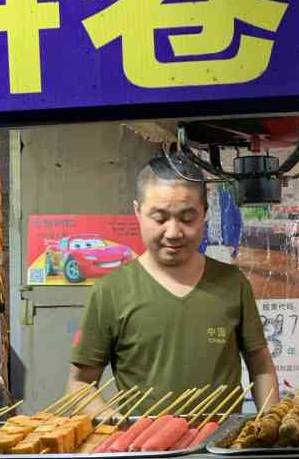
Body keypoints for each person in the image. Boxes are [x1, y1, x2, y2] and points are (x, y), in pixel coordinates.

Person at [68, 154, 278, 415]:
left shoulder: (232, 283)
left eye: (187, 218)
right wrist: (115, 424)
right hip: (143, 450)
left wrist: (270, 425)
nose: (173, 232)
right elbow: (80, 383)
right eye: (159, 218)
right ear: (137, 211)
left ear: (205, 213)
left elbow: (262, 369)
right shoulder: (110, 291)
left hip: (220, 447)